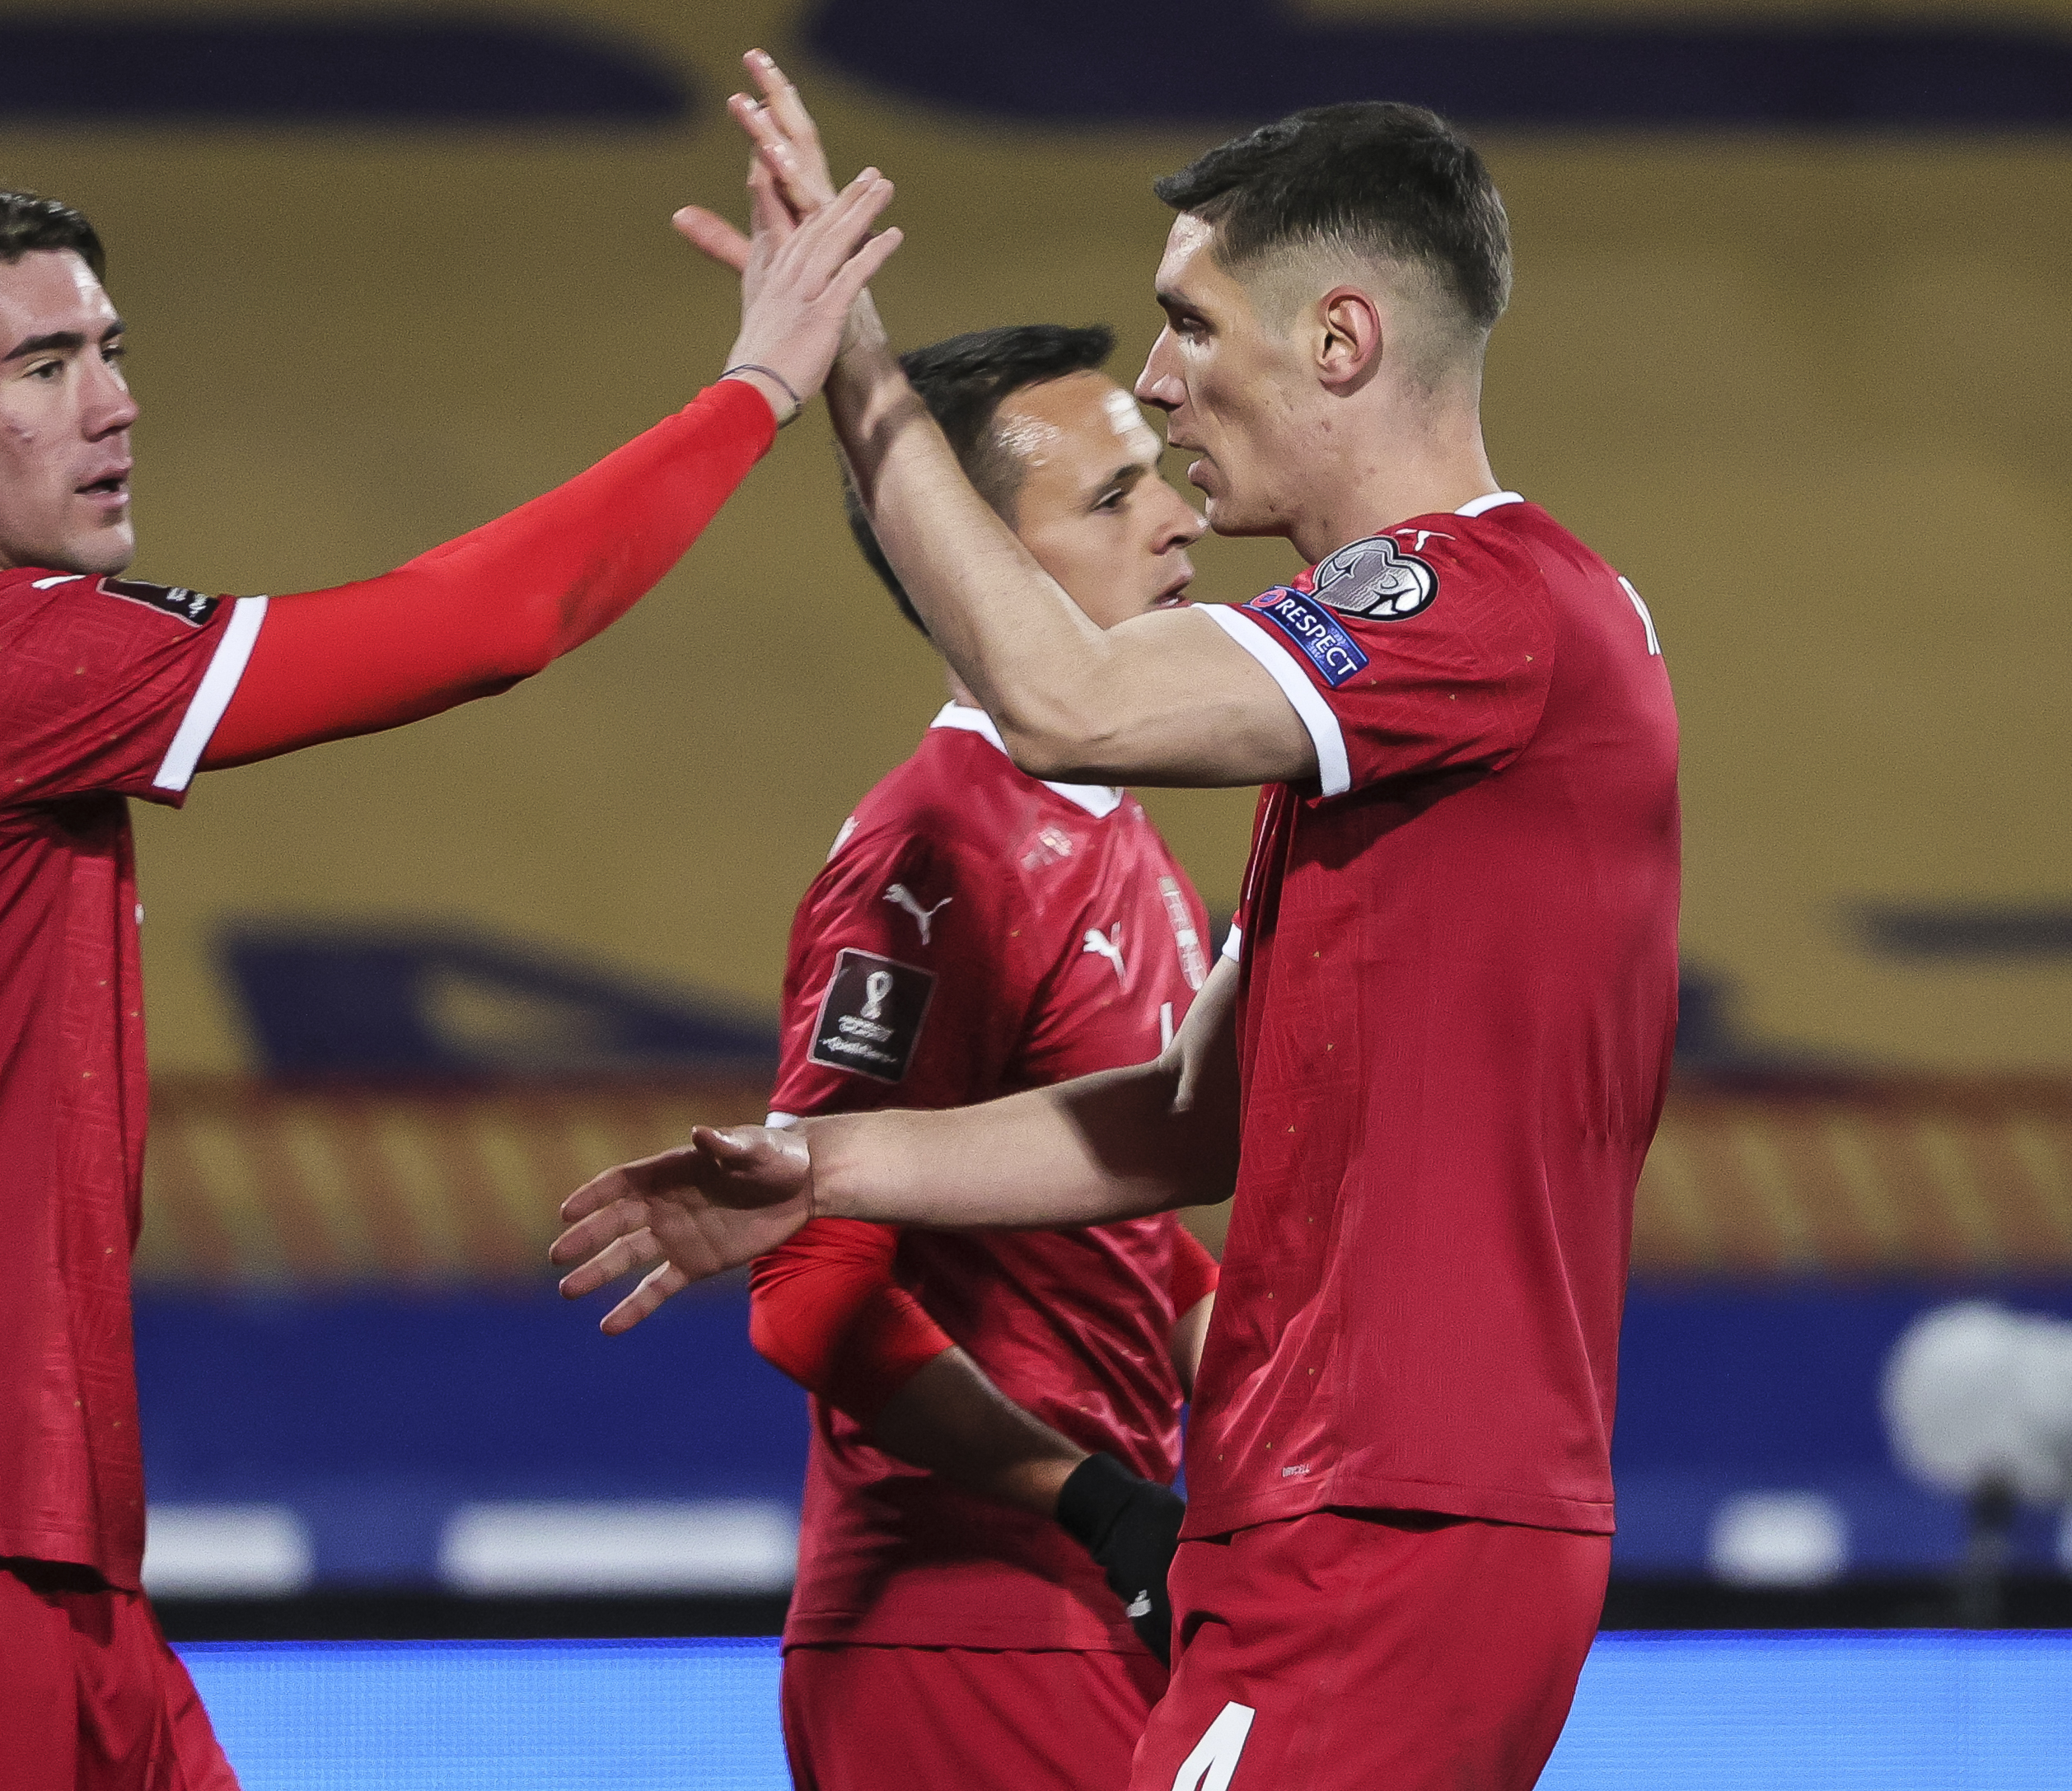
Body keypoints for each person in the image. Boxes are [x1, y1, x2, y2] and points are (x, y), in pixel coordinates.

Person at [0, 170, 899, 1791]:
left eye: (110, 346)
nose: (114, 403)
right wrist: (758, 387)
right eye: (43, 367)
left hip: (3, 1562)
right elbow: (491, 619)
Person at [555, 55, 1679, 1791]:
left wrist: (854, 372)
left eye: (1190, 325)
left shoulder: (1474, 604)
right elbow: (1183, 1116)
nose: (1159, 385)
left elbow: (1064, 699)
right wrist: (822, 1168)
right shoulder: (1377, 711)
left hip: (1382, 1504)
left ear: (1340, 342)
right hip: (1329, 1508)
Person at [748, 322, 1220, 1790]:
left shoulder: (1119, 828)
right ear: (972, 563)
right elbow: (808, 1289)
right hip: (961, 1631)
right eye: (1109, 498)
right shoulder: (936, 850)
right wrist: (1095, 1501)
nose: (1182, 517)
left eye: (1158, 478)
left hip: (1091, 1601)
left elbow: (1125, 1246)